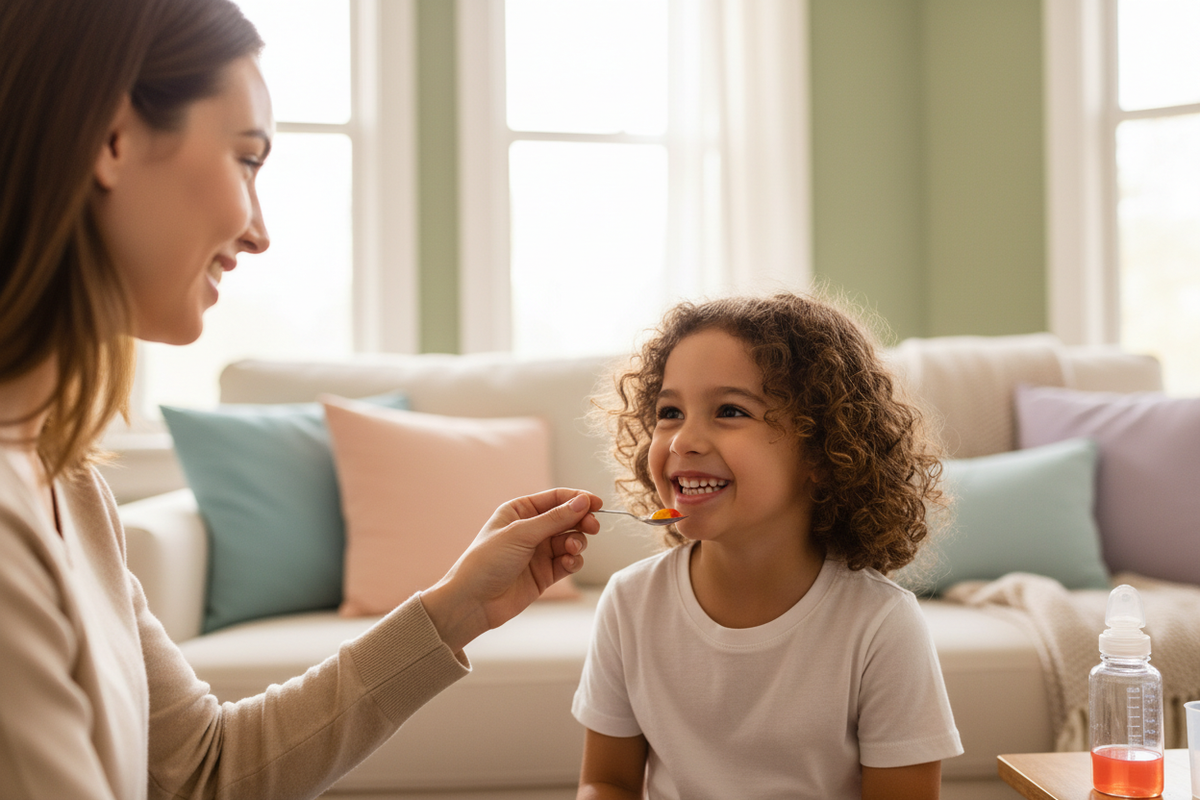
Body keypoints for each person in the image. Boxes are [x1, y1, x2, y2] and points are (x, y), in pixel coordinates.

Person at [0, 1, 600, 797]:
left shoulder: (66, 485)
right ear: (112, 137)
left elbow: (201, 769)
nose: (259, 232)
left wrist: (456, 609)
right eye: (246, 160)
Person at [574, 293, 964, 799]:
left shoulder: (880, 625)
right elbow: (606, 782)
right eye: (669, 411)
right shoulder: (629, 603)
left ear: (823, 450)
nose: (682, 440)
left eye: (730, 411)